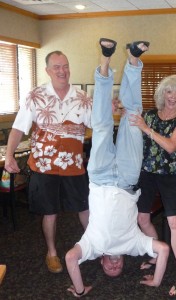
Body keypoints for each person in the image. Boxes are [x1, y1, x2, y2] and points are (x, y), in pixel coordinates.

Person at [65, 38, 169, 298]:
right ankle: (133, 60)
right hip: (126, 177)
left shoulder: (91, 247)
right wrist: (157, 281)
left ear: (100, 262)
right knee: (134, 118)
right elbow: (164, 250)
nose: (113, 264)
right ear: (123, 261)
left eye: (109, 267)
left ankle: (105, 60)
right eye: (118, 266)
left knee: (100, 126)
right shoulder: (134, 245)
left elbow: (69, 258)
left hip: (99, 177)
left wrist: (80, 290)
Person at [5, 51, 92, 274]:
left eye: (65, 65)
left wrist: (110, 109)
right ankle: (52, 253)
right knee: (50, 211)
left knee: (84, 208)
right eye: (56, 67)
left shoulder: (82, 97)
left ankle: (94, 245)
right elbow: (18, 128)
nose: (62, 71)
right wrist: (10, 155)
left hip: (73, 166)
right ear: (47, 70)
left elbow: (99, 124)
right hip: (44, 167)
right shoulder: (35, 96)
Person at [132, 73, 176, 297]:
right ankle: (158, 253)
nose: (173, 97)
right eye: (169, 91)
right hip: (147, 173)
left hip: (170, 175)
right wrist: (120, 107)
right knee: (142, 219)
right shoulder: (149, 115)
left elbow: (170, 146)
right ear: (162, 93)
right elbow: (131, 121)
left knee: (174, 222)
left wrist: (146, 129)